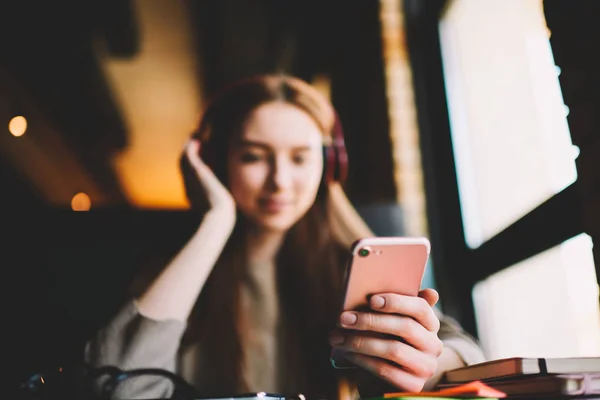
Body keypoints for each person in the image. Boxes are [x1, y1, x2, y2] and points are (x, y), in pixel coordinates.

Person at [84, 74, 484, 399]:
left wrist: (430, 360)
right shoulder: (178, 268)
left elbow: (465, 353)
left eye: (299, 158)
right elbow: (112, 383)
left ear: (329, 165)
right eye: (253, 156)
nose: (280, 182)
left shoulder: (351, 260)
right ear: (215, 162)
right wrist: (217, 220)